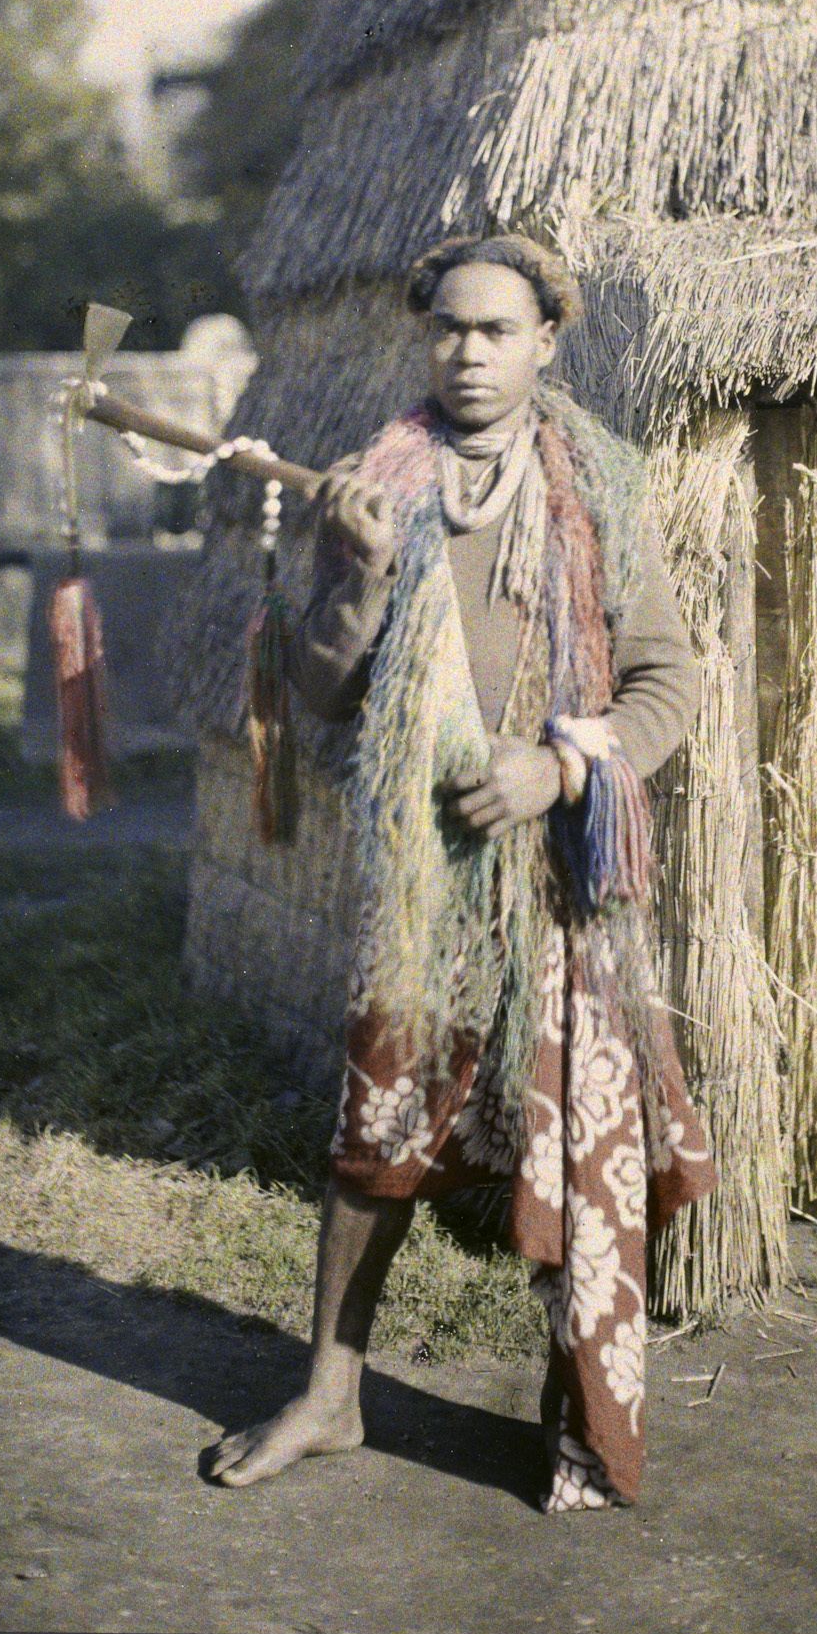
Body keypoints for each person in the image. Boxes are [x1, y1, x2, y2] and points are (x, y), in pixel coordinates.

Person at [201, 233, 716, 1511]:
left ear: (547, 341)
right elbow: (322, 692)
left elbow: (668, 684)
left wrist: (562, 769)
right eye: (448, 330)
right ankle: (329, 1394)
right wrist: (362, 580)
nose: (469, 352)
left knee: (583, 1141)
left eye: (497, 330)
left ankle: (577, 1417)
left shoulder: (599, 485)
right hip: (429, 876)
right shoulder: (381, 481)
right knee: (376, 1127)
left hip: (561, 877)